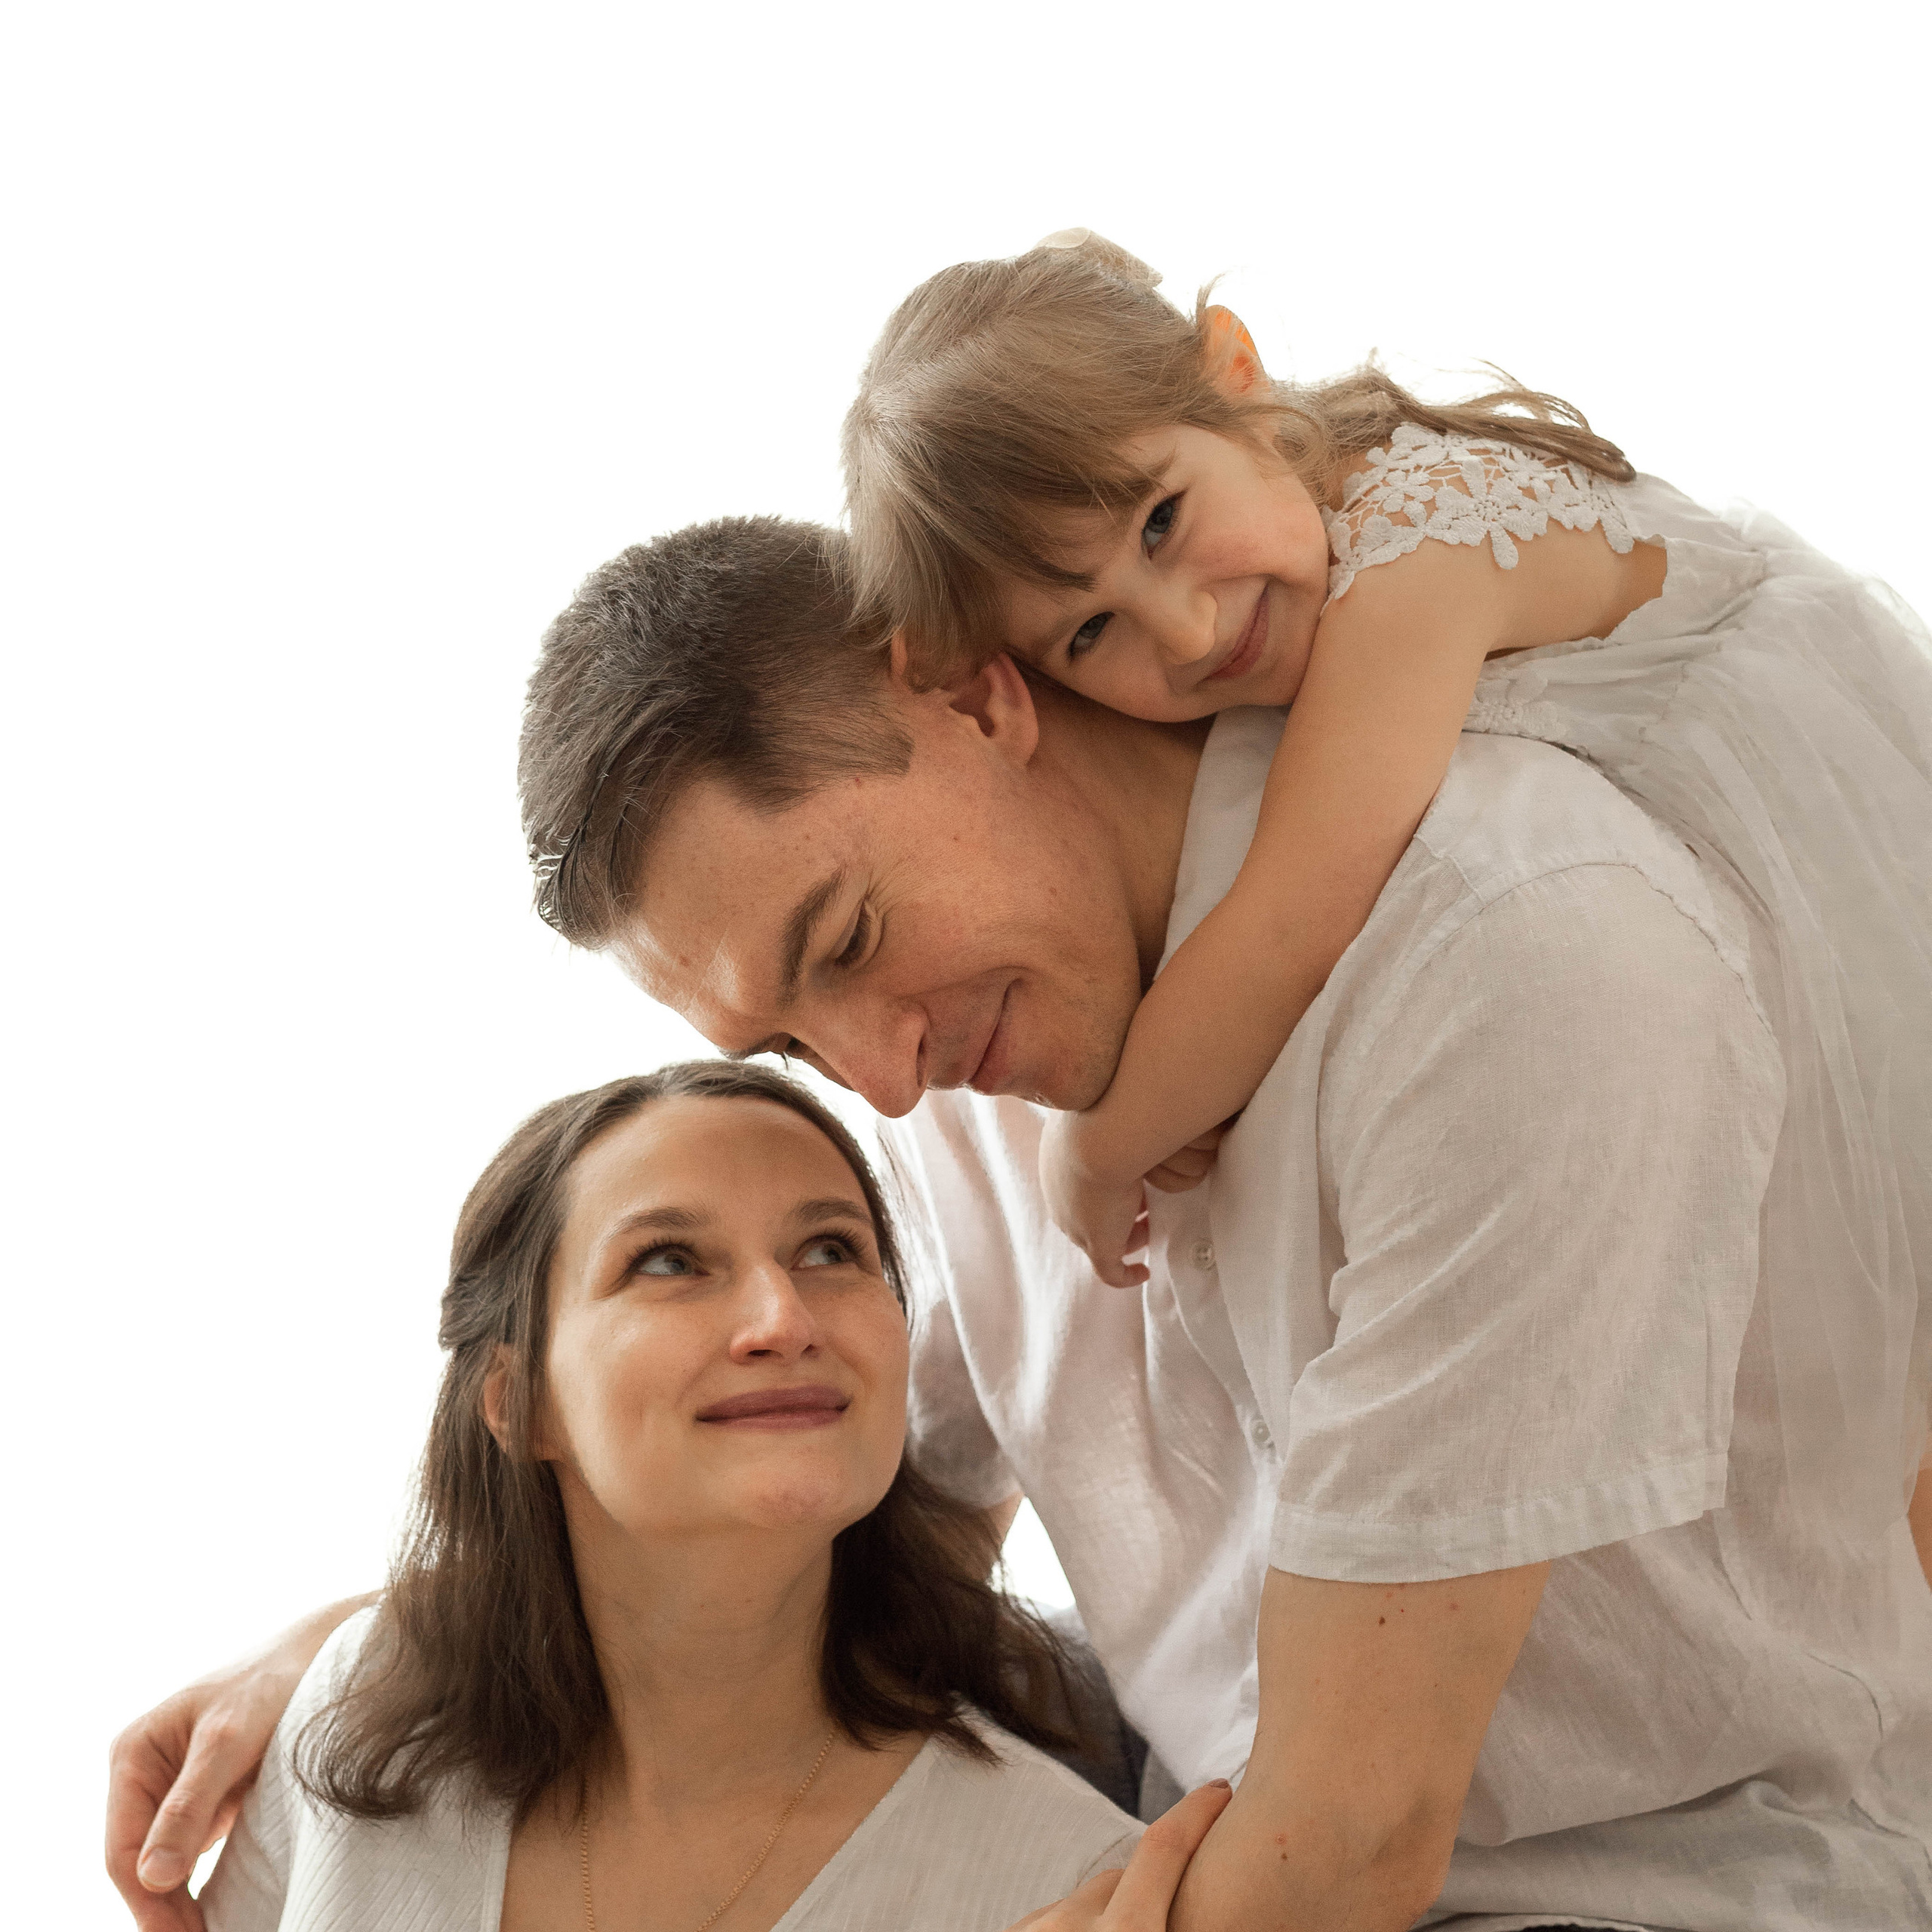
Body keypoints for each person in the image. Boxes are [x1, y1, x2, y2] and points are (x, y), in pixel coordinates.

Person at [841, 229, 1932, 1361]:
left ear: (1235, 370)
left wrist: (1095, 1151)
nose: (1189, 631)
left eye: (1162, 522)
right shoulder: (1284, 528)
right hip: (1707, 884)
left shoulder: (1417, 563)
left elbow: (1290, 920)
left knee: (1879, 1308)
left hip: (1835, 858)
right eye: (1090, 631)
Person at [183, 1058, 1226, 1932]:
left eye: (832, 1250)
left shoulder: (1073, 1883)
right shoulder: (349, 1729)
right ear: (515, 1403)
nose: (782, 1316)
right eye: (670, 1261)